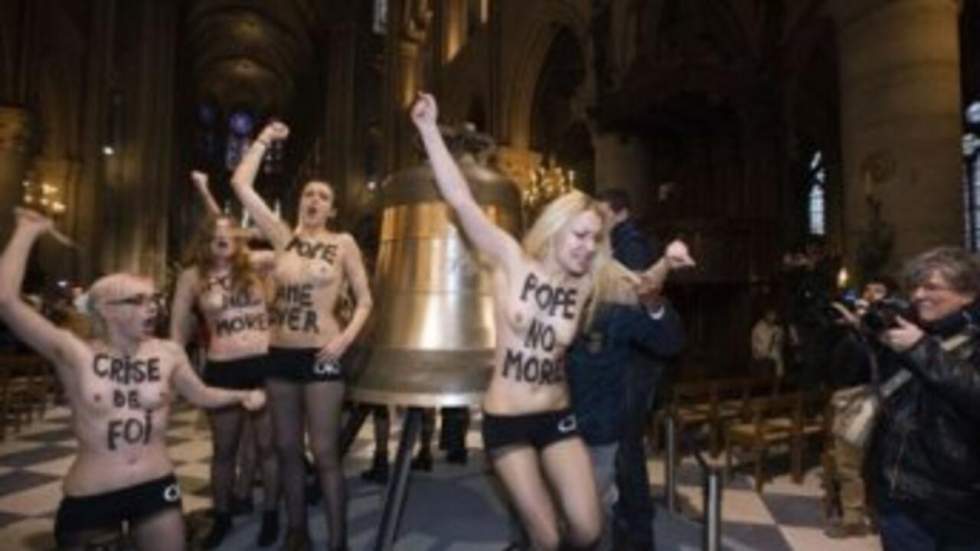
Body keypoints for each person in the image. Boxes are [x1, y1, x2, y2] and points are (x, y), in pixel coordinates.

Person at [410, 92, 693, 550]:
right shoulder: (512, 260)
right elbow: (461, 201)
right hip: (508, 420)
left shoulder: (590, 281)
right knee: (544, 536)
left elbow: (640, 285)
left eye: (595, 239)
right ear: (557, 228)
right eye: (579, 235)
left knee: (587, 528)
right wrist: (428, 130)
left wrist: (667, 261)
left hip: (558, 415)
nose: (587, 246)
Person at [0, 208, 266, 550]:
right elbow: (6, 302)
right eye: (137, 301)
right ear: (106, 309)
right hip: (93, 493)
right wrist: (26, 231)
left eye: (153, 300)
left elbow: (200, 394)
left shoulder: (168, 353)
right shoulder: (75, 353)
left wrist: (240, 396)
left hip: (156, 487)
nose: (152, 308)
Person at [230, 122, 373, 551]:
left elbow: (365, 300)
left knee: (325, 453)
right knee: (287, 450)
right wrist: (263, 140)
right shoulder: (282, 238)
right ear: (300, 203)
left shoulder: (343, 243)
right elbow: (240, 184)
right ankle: (297, 531)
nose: (314, 200)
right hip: (279, 355)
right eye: (308, 194)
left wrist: (345, 340)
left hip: (322, 355)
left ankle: (339, 541)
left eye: (323, 196)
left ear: (332, 210)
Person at [170, 171, 280, 548]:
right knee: (223, 451)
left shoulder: (256, 264)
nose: (223, 238)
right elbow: (177, 331)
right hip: (222, 368)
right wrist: (177, 374)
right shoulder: (191, 277)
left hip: (263, 364)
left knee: (267, 448)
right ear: (206, 239)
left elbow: (286, 246)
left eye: (230, 233)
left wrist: (252, 226)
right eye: (216, 234)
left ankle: (270, 515)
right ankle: (221, 517)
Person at [866, 247, 980, 550]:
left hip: (960, 503)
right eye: (915, 287)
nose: (918, 295)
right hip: (901, 497)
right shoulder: (909, 334)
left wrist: (920, 349)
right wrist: (866, 338)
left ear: (967, 294)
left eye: (931, 287)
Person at [567, 275, 684, 551]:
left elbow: (670, 340)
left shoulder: (613, 308)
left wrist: (653, 303)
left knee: (623, 474)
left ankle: (636, 536)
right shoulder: (559, 298)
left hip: (611, 415)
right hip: (565, 420)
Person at [823, 278, 891, 539]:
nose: (871, 297)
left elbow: (872, 365)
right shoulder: (850, 335)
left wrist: (861, 327)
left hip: (863, 401)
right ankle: (861, 513)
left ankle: (854, 519)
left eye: (879, 292)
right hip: (848, 397)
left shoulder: (881, 333)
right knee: (850, 463)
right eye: (869, 291)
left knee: (851, 465)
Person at [751, 308, 785, 378]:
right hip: (760, 352)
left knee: (778, 361)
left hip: (773, 353)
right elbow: (754, 341)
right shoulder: (759, 327)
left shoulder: (777, 328)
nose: (772, 317)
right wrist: (757, 351)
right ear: (766, 316)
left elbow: (779, 342)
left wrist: (776, 339)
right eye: (770, 315)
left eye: (773, 316)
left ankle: (778, 379)